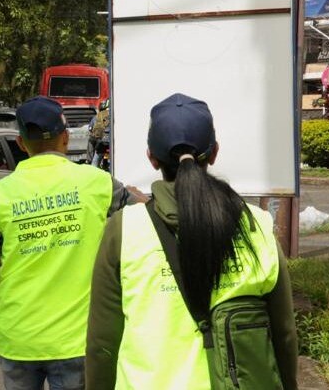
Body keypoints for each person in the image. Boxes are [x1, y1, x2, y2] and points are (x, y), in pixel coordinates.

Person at [85, 93, 298, 390]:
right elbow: (284, 334)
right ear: (214, 153)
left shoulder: (124, 230)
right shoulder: (256, 224)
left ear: (152, 156)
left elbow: (102, 342)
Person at [0, 96, 131, 390]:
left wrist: (4, 290)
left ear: (21, 143)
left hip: (18, 336)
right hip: (76, 339)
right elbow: (146, 211)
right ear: (66, 138)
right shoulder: (98, 183)